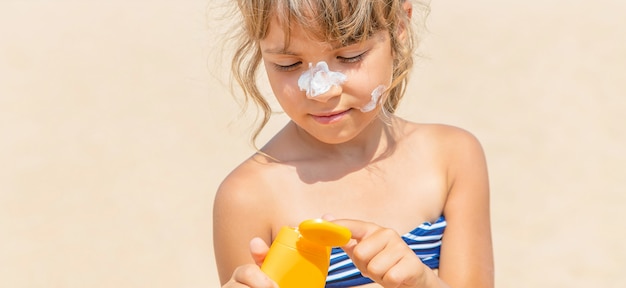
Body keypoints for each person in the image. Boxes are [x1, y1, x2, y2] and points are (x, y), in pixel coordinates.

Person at [213, 0, 494, 287]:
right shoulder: (248, 195)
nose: (321, 90)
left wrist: (422, 282)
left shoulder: (452, 157)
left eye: (350, 56)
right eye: (289, 64)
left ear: (399, 26)